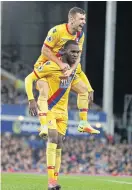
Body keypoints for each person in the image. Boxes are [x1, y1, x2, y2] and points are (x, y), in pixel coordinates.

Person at [25, 40, 100, 190]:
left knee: (59, 143)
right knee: (52, 138)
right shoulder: (51, 66)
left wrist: (90, 89)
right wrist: (31, 99)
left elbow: (81, 74)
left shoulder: (74, 67)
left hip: (63, 112)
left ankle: (54, 181)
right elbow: (29, 78)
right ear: (64, 52)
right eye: (72, 52)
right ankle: (51, 182)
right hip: (50, 109)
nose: (75, 55)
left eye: (78, 52)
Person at [33, 7, 94, 138]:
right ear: (72, 19)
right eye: (81, 19)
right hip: (46, 69)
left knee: (84, 90)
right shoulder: (57, 31)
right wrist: (61, 64)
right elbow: (44, 51)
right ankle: (43, 124)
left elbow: (78, 57)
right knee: (44, 93)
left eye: (85, 19)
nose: (84, 22)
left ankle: (83, 122)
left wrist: (70, 70)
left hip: (65, 71)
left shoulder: (80, 35)